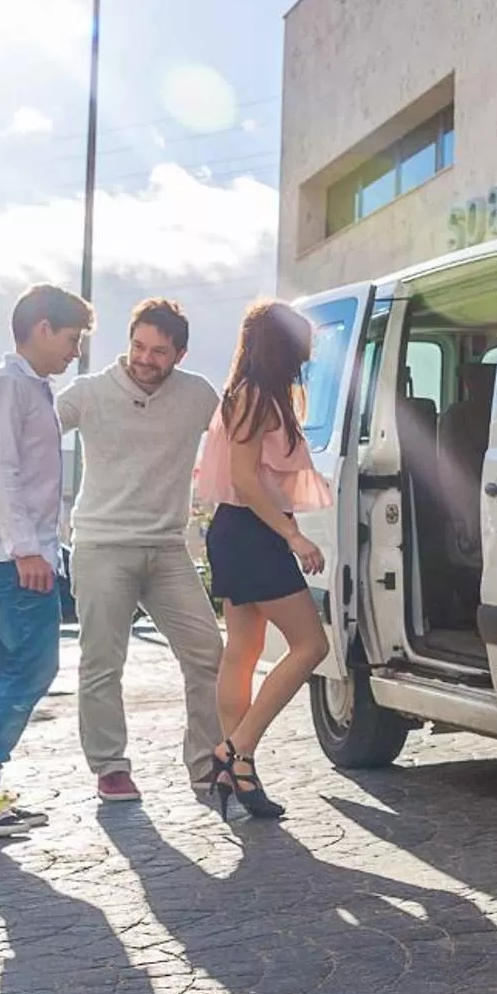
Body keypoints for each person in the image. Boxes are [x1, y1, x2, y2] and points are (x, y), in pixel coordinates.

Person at [56, 297, 224, 804]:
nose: (145, 359)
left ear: (180, 354)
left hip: (168, 550)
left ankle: (207, 763)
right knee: (103, 662)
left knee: (208, 653)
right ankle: (110, 766)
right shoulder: (89, 393)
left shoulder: (197, 395)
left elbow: (240, 440)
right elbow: (30, 434)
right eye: (139, 346)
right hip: (102, 546)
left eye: (159, 351)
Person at [0, 283, 91, 838]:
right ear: (42, 328)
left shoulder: (31, 388)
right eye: (72, 339)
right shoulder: (6, 385)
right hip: (12, 557)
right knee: (32, 668)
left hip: (9, 554)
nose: (75, 351)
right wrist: (26, 548)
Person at [192, 300, 333, 820]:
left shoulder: (249, 393)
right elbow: (247, 480)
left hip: (235, 529)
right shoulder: (254, 395)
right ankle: (236, 748)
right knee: (311, 645)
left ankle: (240, 770)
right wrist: (293, 536)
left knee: (244, 649)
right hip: (252, 531)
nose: (306, 354)